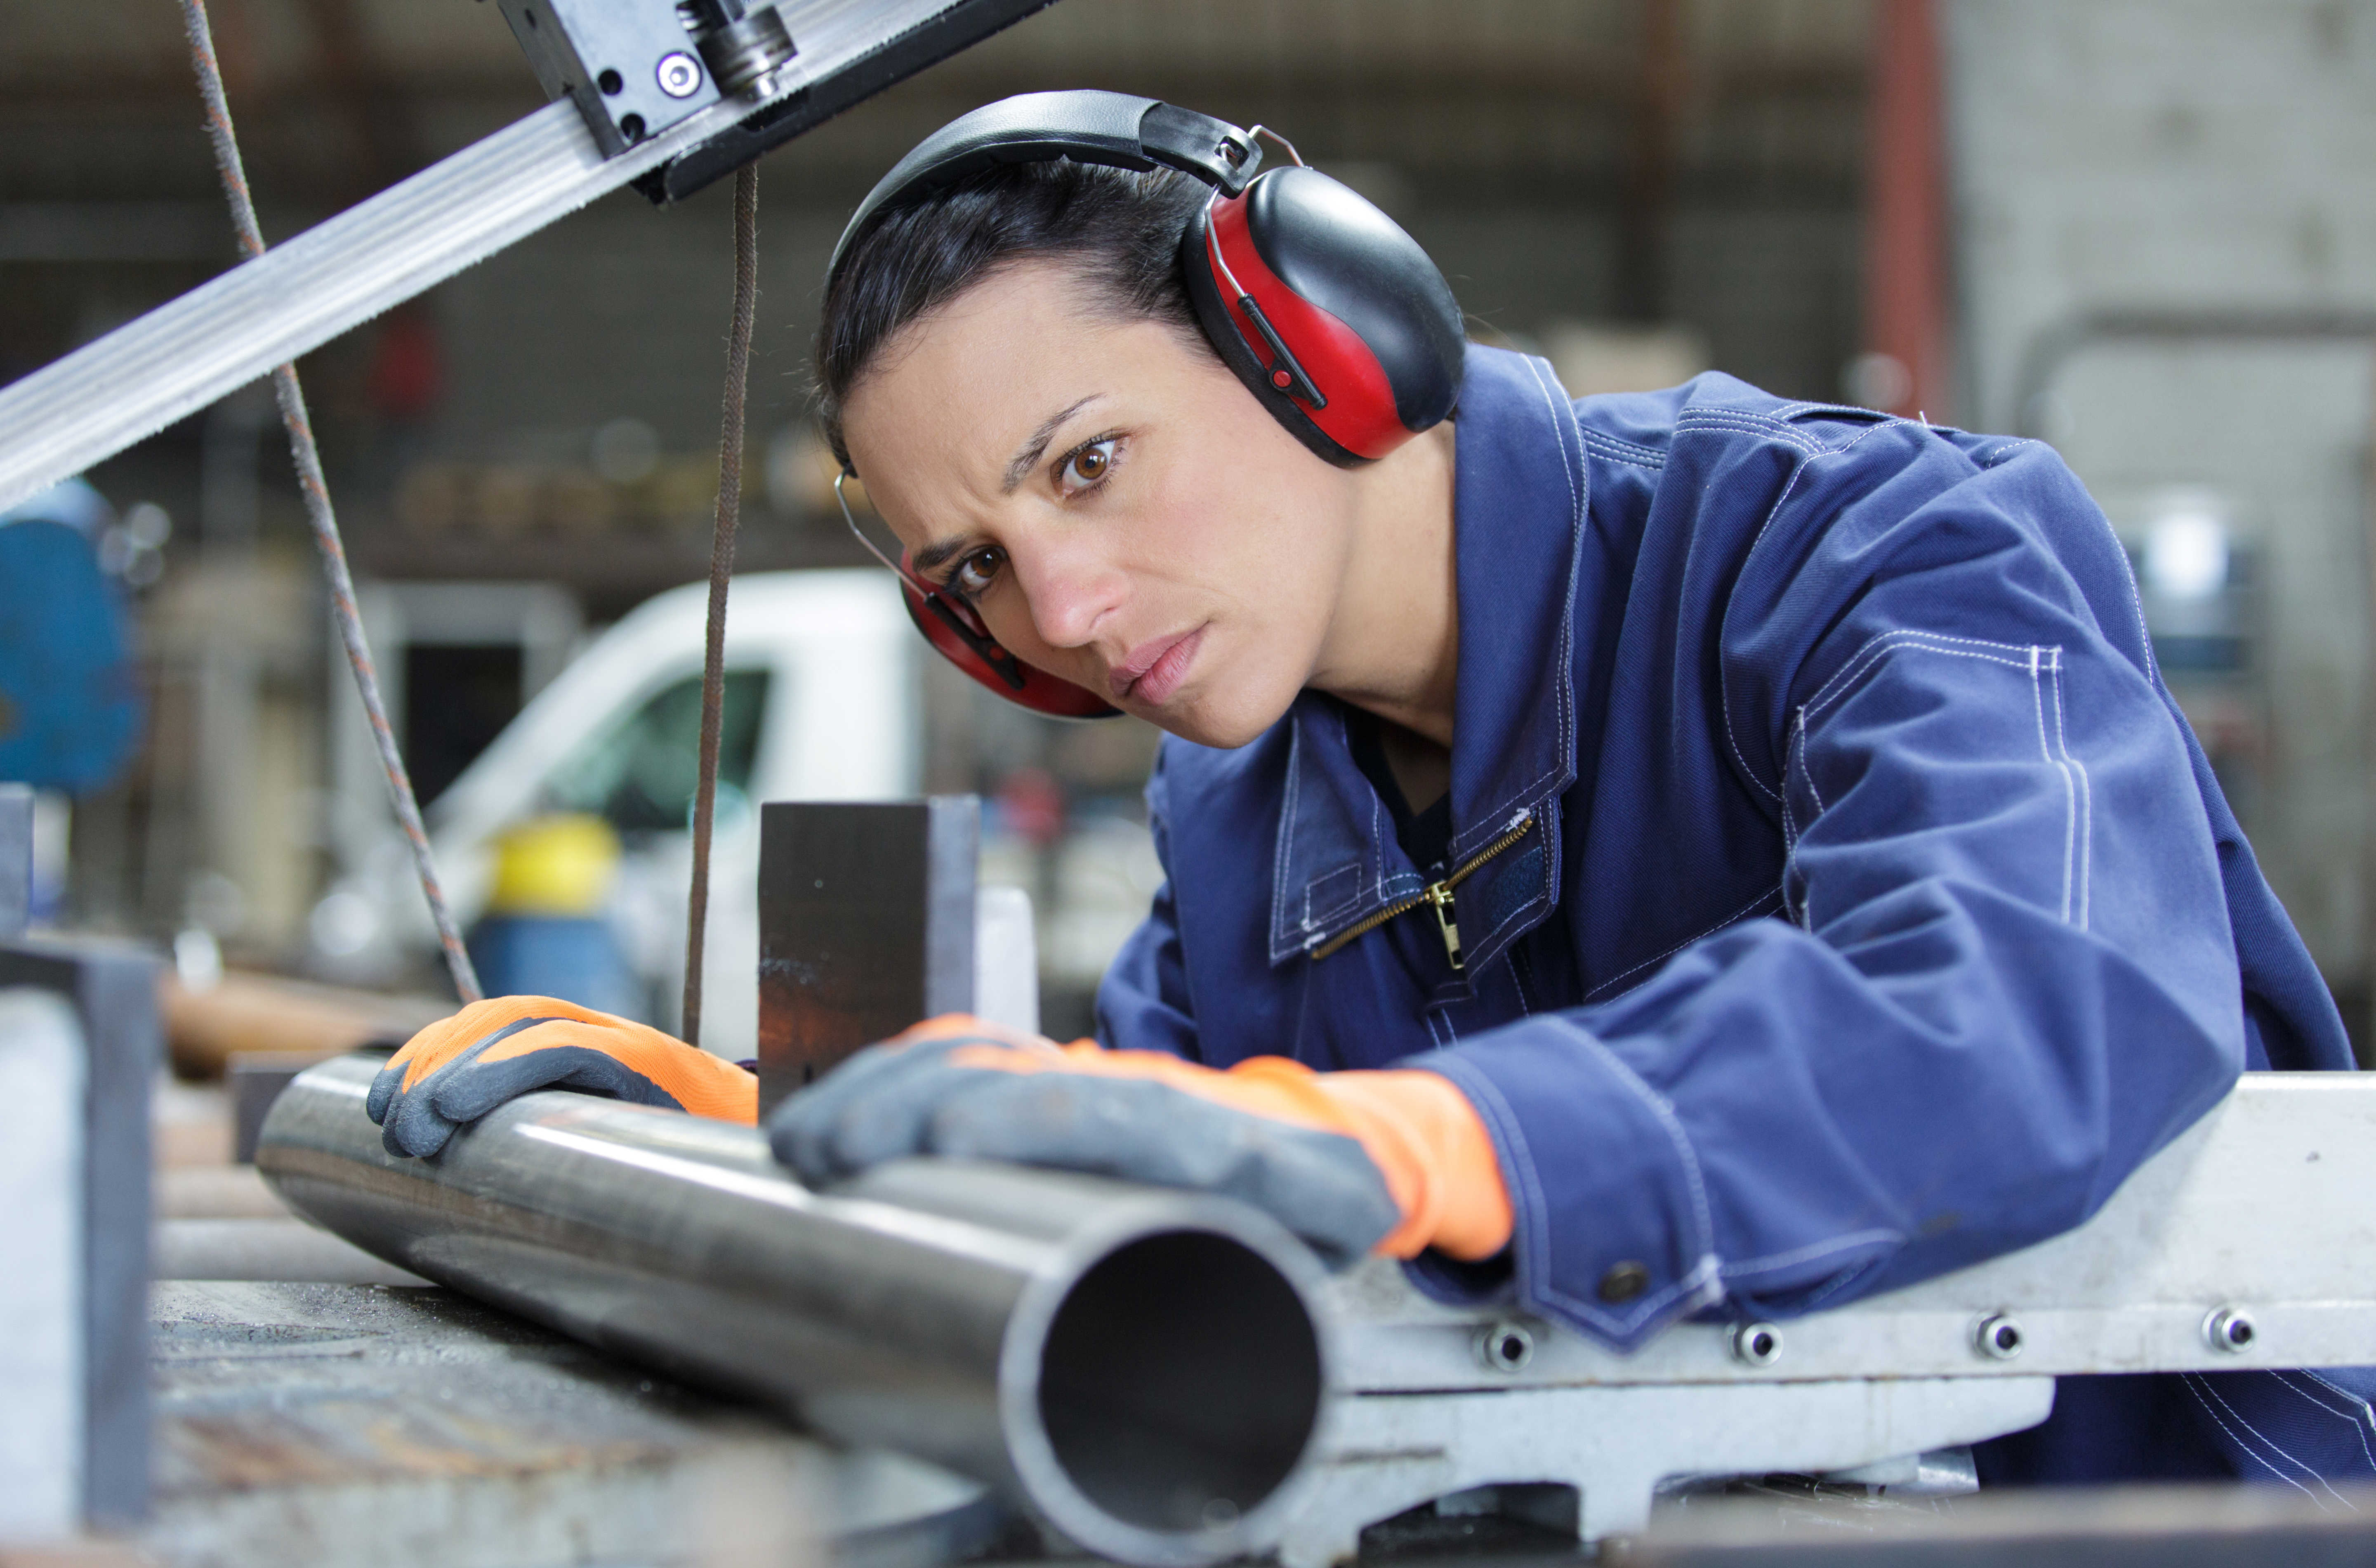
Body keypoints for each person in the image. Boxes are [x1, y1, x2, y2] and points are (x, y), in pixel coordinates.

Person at [368, 93, 2376, 1490]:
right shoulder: (1239, 809)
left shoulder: (1868, 552)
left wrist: (1437, 1146)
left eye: (1087, 463)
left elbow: (2027, 996)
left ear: (1323, 339)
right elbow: (1157, 1156)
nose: (1060, 605)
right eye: (971, 571)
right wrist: (773, 1144)